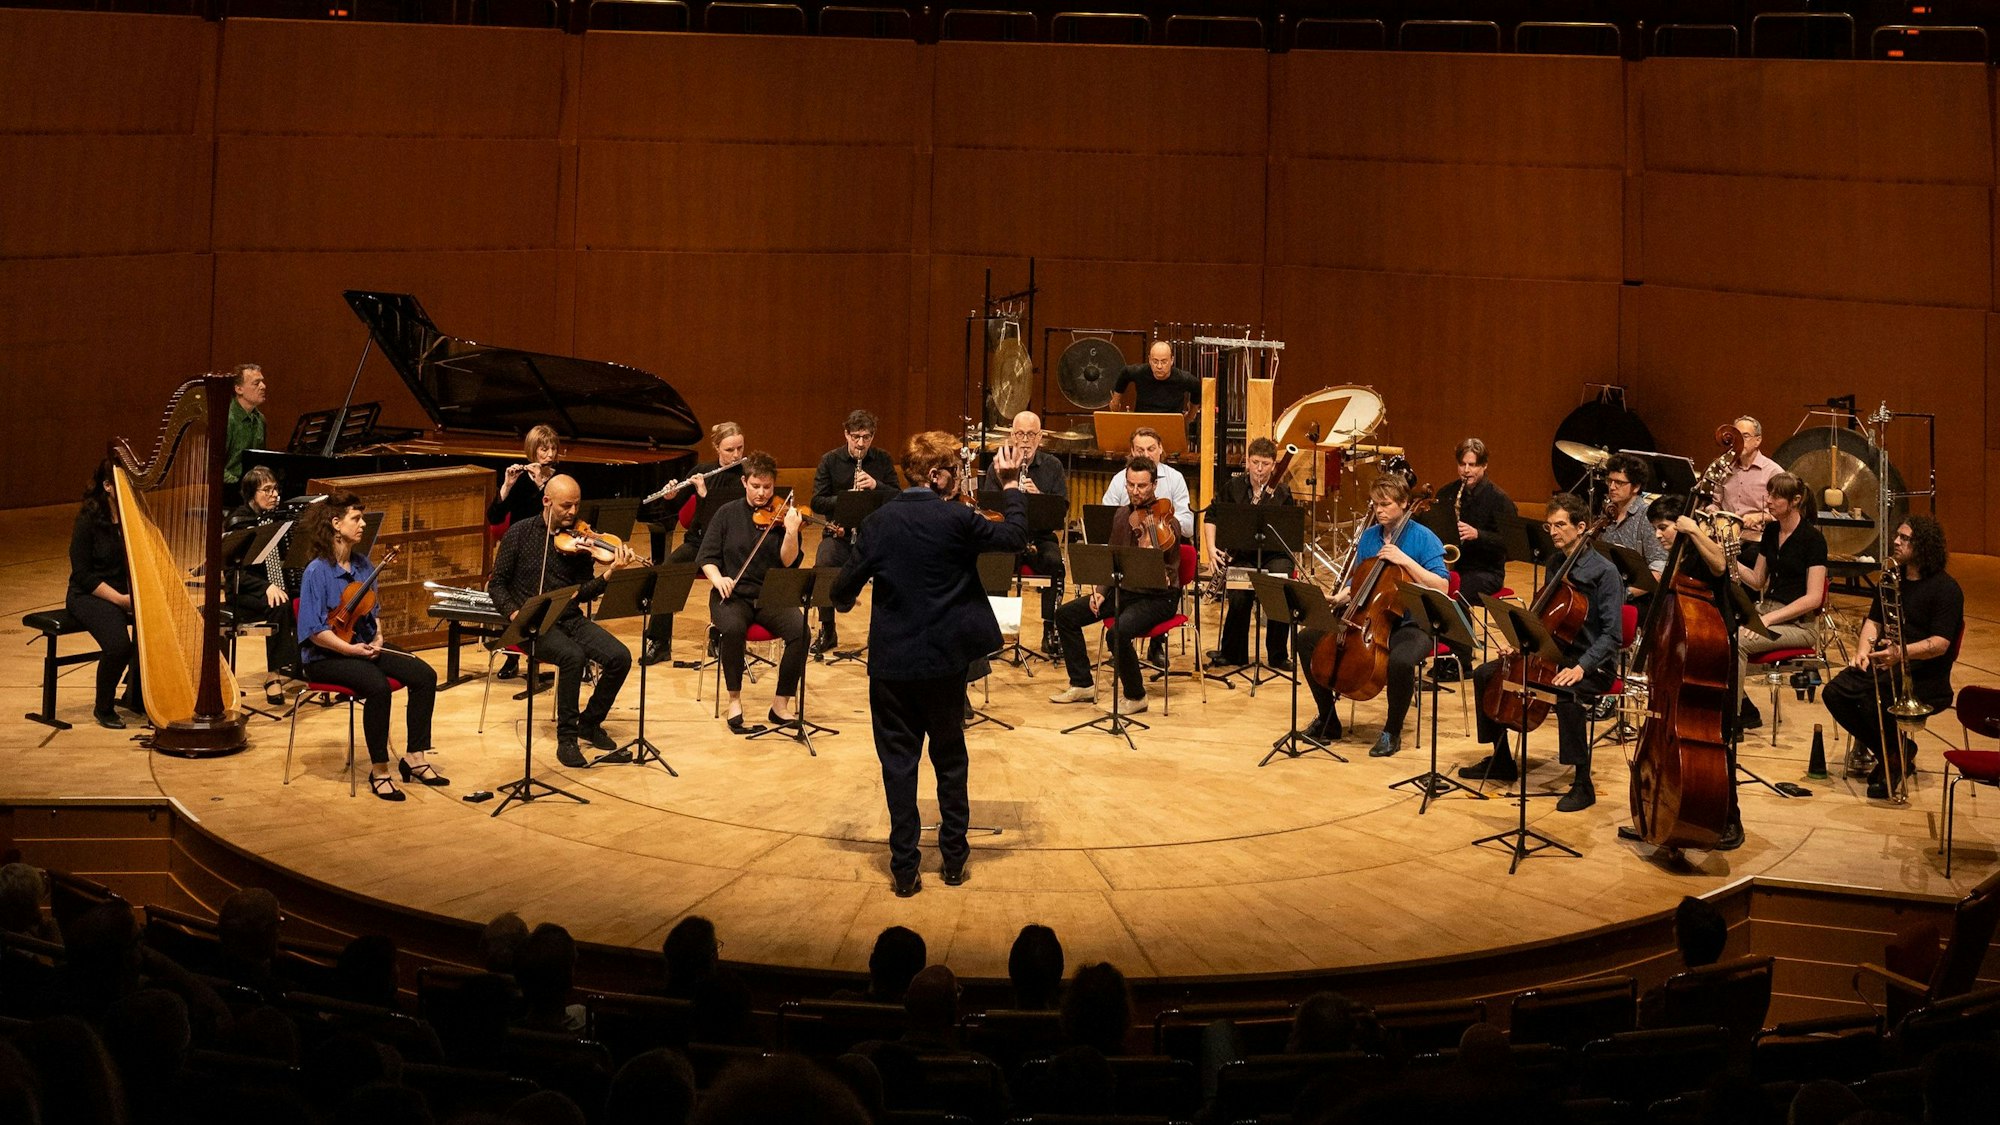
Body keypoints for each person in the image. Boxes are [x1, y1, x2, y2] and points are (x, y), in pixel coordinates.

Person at [832, 432, 1028, 896]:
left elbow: (840, 594)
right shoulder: (958, 518)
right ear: (938, 475)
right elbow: (1016, 536)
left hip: (892, 667)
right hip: (944, 665)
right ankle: (955, 861)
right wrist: (1012, 484)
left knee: (898, 766)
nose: (958, 480)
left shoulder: (878, 523)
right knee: (949, 760)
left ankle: (904, 870)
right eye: (954, 472)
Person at [1458, 493, 1625, 811]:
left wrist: (1582, 667)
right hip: (1552, 652)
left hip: (1592, 662)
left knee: (1568, 693)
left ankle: (1582, 782)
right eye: (1549, 526)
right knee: (1485, 673)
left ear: (1581, 527)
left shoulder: (1606, 573)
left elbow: (1613, 636)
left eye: (1560, 525)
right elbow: (1544, 620)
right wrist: (1521, 642)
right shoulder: (1555, 563)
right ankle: (1502, 759)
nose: (1553, 532)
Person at [297, 493, 445, 800]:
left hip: (362, 645)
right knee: (377, 686)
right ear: (336, 525)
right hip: (324, 655)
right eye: (356, 518)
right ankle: (379, 770)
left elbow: (371, 614)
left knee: (424, 675)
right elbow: (314, 631)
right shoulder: (316, 571)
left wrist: (378, 639)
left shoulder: (364, 565)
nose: (363, 524)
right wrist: (351, 651)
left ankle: (414, 757)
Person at [1292, 475, 1450, 757]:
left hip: (1412, 622)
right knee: (1307, 640)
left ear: (1403, 503)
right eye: (1376, 504)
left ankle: (1392, 730)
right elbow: (1360, 583)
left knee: (1401, 661)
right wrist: (1339, 597)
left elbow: (1442, 586)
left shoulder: (1424, 538)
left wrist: (1405, 560)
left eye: (1386, 504)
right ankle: (1328, 720)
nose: (1379, 510)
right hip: (1369, 617)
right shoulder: (1369, 537)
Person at [487, 474, 638, 768]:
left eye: (576, 506)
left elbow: (583, 591)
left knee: (620, 657)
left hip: (568, 618)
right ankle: (566, 740)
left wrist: (609, 574)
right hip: (531, 623)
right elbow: (497, 585)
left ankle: (589, 723)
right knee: (573, 657)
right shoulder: (519, 534)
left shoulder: (580, 542)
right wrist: (515, 613)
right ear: (547, 502)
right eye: (566, 506)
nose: (572, 512)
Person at [1822, 515, 1963, 800]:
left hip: (1924, 674)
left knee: (1877, 698)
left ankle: (1892, 762)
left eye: (1904, 538)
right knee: (1834, 693)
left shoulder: (1946, 589)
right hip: (1886, 662)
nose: (1896, 542)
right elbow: (1873, 622)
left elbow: (1940, 644)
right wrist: (1862, 651)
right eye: (1897, 536)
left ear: (1923, 546)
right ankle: (1896, 752)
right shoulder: (1890, 579)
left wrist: (1900, 654)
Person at [1645, 494, 1746, 850]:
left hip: (1714, 651)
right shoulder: (1678, 557)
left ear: (1682, 523)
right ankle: (1669, 811)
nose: (1658, 535)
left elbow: (1721, 567)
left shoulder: (1703, 548)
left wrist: (1695, 531)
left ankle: (1729, 819)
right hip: (1686, 657)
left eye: (1663, 527)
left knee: (1718, 739)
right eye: (1654, 528)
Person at [1051, 457, 1185, 716]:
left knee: (1118, 633)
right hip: (1124, 590)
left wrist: (1153, 558)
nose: (1136, 492)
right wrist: (1101, 592)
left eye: (1142, 486)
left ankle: (1136, 696)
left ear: (1154, 485)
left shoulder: (1168, 522)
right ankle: (1082, 684)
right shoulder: (1122, 515)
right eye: (1131, 485)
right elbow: (1111, 557)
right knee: (1065, 616)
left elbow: (1170, 570)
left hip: (1158, 597)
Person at [696, 452, 808, 735]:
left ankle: (780, 703)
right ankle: (734, 699)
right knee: (732, 629)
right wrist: (718, 577)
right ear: (745, 482)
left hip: (770, 595)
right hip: (732, 595)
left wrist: (792, 533)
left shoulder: (784, 517)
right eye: (756, 486)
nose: (762, 493)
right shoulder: (726, 513)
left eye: (767, 487)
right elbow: (707, 557)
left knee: (801, 631)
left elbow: (788, 562)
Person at [642, 421, 748, 667]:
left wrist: (704, 495)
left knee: (730, 579)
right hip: (698, 543)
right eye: (729, 450)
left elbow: (724, 521)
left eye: (739, 448)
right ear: (717, 448)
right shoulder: (701, 471)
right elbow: (673, 511)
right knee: (667, 572)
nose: (736, 455)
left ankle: (721, 638)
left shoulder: (746, 477)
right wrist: (669, 497)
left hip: (729, 547)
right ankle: (659, 643)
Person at [1734, 472, 1828, 732]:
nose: (1769, 501)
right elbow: (1757, 580)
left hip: (1799, 626)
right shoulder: (1773, 530)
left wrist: (1766, 619)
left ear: (1795, 500)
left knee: (1738, 641)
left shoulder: (1813, 539)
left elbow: (1813, 598)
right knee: (1720, 631)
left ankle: (1734, 718)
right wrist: (1729, 558)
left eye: (1776, 496)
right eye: (1769, 494)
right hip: (1769, 613)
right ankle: (1743, 707)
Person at [809, 410, 900, 655]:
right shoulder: (830, 460)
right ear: (846, 434)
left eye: (867, 437)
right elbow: (817, 502)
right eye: (856, 437)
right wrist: (847, 500)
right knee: (823, 565)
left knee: (894, 571)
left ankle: (879, 632)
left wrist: (875, 487)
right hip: (839, 534)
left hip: (873, 537)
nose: (861, 443)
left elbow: (898, 497)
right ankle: (828, 630)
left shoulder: (882, 460)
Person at [1203, 437, 1297, 670]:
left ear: (1274, 465)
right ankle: (1232, 653)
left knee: (1279, 589)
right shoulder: (1233, 487)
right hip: (1242, 553)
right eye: (1255, 462)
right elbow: (1211, 516)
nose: (1259, 469)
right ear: (1247, 461)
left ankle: (1277, 655)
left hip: (1274, 554)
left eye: (1265, 463)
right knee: (1239, 596)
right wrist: (1211, 549)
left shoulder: (1283, 492)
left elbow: (1290, 534)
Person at [981, 411, 1068, 655]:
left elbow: (1061, 510)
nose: (1026, 440)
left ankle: (1050, 631)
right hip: (1008, 535)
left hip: (1040, 536)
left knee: (1054, 562)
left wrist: (1038, 497)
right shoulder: (997, 464)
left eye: (1031, 434)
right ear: (1012, 435)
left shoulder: (1053, 466)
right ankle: (996, 631)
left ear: (1040, 437)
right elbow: (987, 509)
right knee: (994, 561)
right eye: (1020, 434)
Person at [67, 460, 143, 730]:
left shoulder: (131, 516)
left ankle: (137, 694)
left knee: (153, 635)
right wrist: (121, 600)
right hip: (90, 595)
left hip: (123, 593)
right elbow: (83, 575)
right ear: (108, 486)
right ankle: (104, 707)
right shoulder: (89, 520)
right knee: (119, 646)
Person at [485, 425, 561, 682]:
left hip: (550, 546)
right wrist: (506, 486)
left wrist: (543, 486)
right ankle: (512, 654)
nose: (549, 454)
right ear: (533, 450)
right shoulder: (518, 479)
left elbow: (557, 515)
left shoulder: (559, 482)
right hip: (519, 547)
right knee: (509, 591)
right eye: (543, 449)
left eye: (552, 448)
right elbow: (494, 518)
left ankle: (554, 649)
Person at [224, 466, 293, 705]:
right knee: (280, 604)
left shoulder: (275, 517)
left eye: (275, 489)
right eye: (267, 490)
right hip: (244, 591)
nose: (274, 495)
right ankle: (273, 675)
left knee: (303, 599)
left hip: (274, 585)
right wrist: (265, 586)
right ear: (251, 494)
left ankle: (306, 664)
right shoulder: (238, 521)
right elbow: (233, 573)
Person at [1435, 438, 1516, 604]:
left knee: (1457, 594)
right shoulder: (1446, 493)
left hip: (1486, 571)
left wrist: (1478, 535)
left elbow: (1512, 544)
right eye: (1462, 464)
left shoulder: (1499, 500)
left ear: (1484, 465)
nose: (1466, 470)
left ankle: (1462, 630)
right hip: (1450, 567)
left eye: (1472, 465)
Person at [1100, 427, 1194, 539]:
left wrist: (1161, 524)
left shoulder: (1175, 478)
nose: (1146, 455)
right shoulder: (1119, 479)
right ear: (1132, 451)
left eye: (1151, 449)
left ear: (1160, 448)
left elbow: (1188, 528)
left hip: (1164, 546)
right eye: (1140, 450)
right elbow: (1107, 520)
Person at [1600, 453, 1667, 599]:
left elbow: (1659, 570)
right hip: (1606, 589)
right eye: (1609, 481)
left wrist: (1624, 595)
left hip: (1635, 599)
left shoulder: (1647, 517)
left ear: (1636, 487)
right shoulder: (1607, 513)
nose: (1612, 487)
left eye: (1619, 483)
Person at [1718, 415, 1783, 557]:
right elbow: (1714, 504)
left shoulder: (1773, 472)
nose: (1739, 441)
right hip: (1724, 537)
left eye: (1745, 436)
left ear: (1758, 440)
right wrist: (1713, 515)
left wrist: (1760, 517)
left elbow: (1784, 513)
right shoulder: (1723, 468)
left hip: (1757, 540)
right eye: (1736, 436)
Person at [1115, 341, 1201, 446]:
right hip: (1143, 431)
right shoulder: (1140, 372)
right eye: (1155, 361)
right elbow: (1125, 373)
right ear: (1149, 360)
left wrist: (1190, 416)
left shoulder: (1183, 378)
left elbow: (1197, 387)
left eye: (1164, 361)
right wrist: (1115, 400)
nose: (1159, 366)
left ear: (1172, 360)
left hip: (1171, 430)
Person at [223, 363, 267, 487]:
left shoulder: (260, 419)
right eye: (256, 383)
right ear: (239, 389)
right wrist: (241, 486)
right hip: (228, 490)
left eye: (262, 382)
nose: (263, 386)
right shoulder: (227, 419)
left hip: (250, 490)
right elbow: (214, 467)